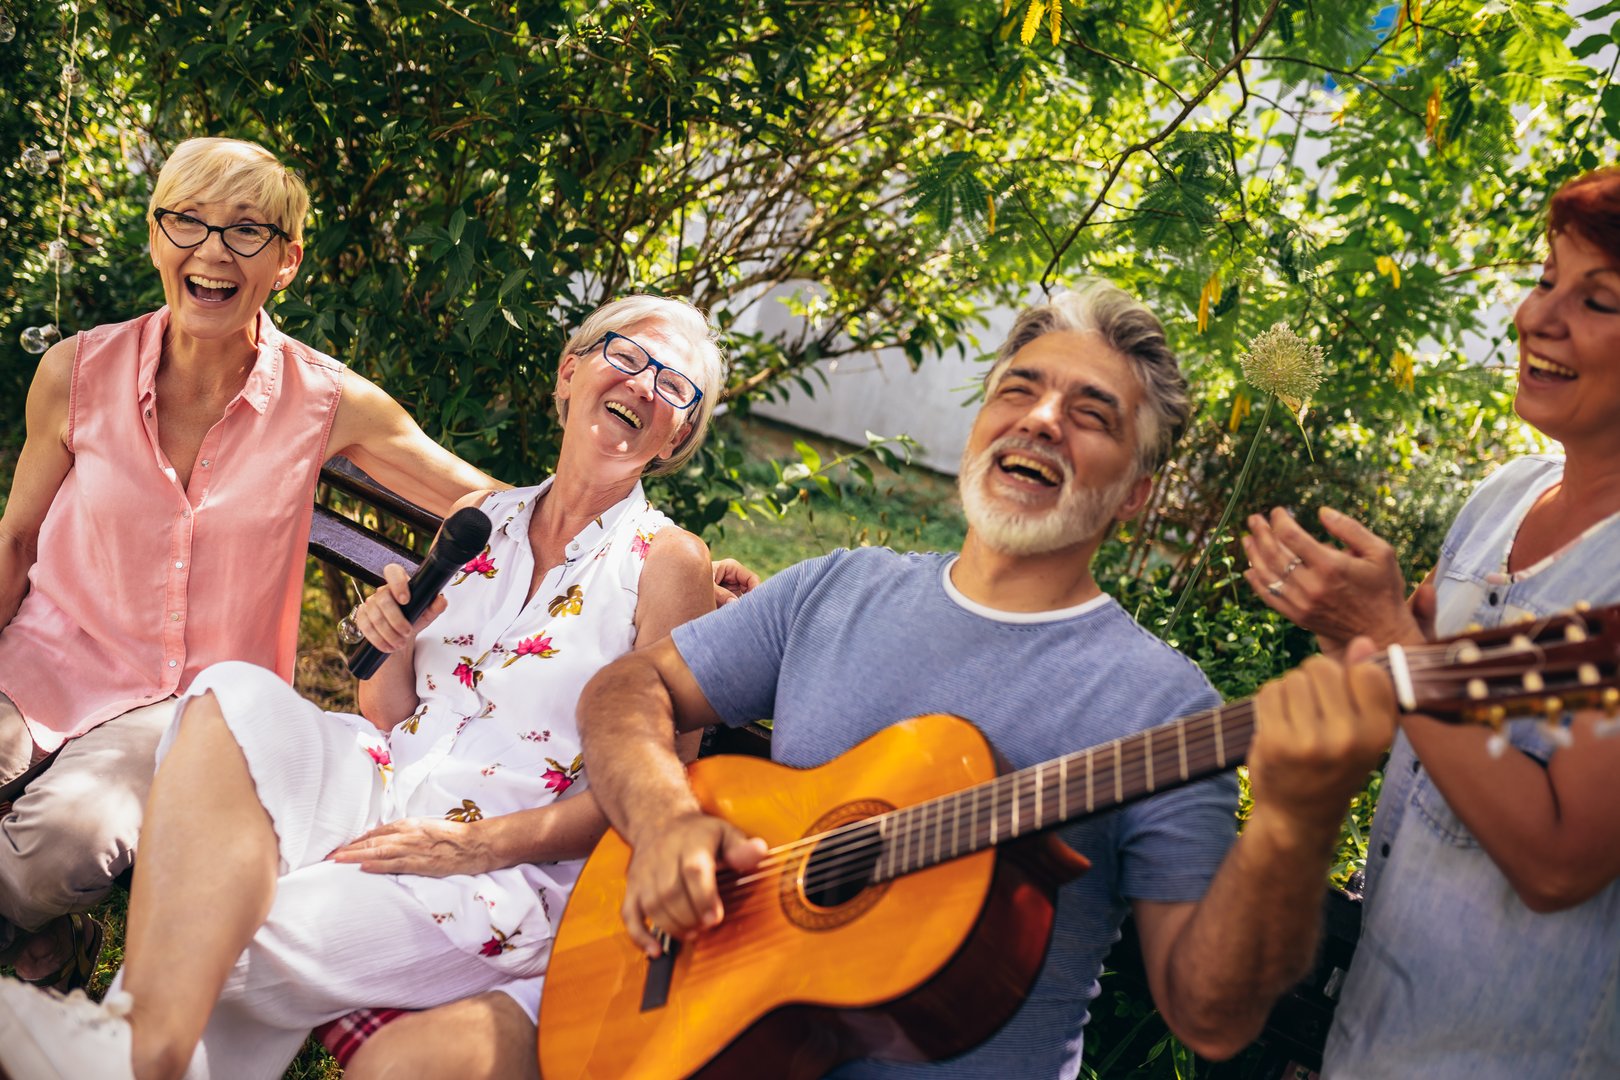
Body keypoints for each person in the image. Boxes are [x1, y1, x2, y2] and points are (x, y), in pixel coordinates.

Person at [573, 282, 1396, 1077]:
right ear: (979, 424)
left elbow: (1209, 1015)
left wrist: (1298, 815)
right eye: (1020, 390)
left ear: (1135, 497)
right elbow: (626, 692)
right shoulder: (841, 587)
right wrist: (666, 820)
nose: (1041, 420)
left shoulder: (1165, 709)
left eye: (1090, 414)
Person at [0, 293, 728, 1080]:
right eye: (627, 357)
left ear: (678, 436)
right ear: (569, 371)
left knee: (235, 932)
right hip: (383, 781)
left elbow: (657, 790)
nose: (645, 385)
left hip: (503, 865)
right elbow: (389, 718)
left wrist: (472, 844)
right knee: (228, 694)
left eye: (674, 386)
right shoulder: (488, 516)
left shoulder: (668, 564)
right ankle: (132, 1050)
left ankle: (125, 1051)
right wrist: (392, 647)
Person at [0, 137, 495, 995]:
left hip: (195, 706)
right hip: (44, 657)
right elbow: (14, 542)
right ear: (156, 239)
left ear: (287, 262)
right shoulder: (74, 373)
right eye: (187, 222)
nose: (213, 251)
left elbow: (490, 497)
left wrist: (666, 551)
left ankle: (40, 936)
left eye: (246, 232)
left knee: (66, 843)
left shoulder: (329, 401)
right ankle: (42, 952)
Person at [1241, 168, 1620, 1078]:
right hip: (1373, 1036)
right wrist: (1354, 636)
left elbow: (1561, 862)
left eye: (1599, 298)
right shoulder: (1503, 498)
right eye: (1544, 279)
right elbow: (1416, 721)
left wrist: (1399, 646)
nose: (1538, 318)